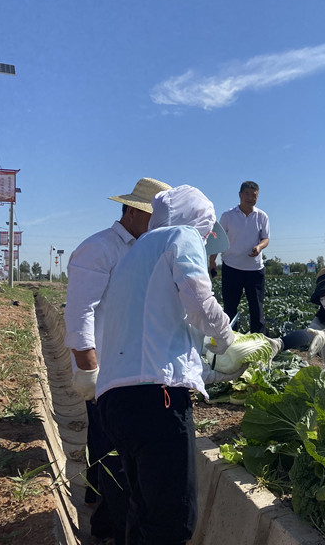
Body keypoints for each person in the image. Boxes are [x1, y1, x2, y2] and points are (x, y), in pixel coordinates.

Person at [95, 185, 241, 544]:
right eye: (207, 231)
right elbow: (199, 300)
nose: (207, 240)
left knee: (143, 510)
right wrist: (229, 342)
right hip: (155, 401)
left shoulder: (134, 255)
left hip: (116, 400)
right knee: (172, 522)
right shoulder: (183, 235)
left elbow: (157, 335)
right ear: (198, 221)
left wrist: (209, 372)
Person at [65, 176, 171, 544]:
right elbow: (80, 313)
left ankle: (104, 520)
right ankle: (112, 529)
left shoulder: (149, 250)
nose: (157, 225)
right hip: (106, 370)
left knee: (115, 452)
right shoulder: (100, 249)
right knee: (113, 455)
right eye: (151, 216)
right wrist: (88, 368)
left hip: (134, 371)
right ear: (129, 210)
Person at [208, 180, 270, 334]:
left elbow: (266, 239)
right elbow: (218, 239)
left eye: (254, 195)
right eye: (247, 194)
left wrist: (259, 247)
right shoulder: (228, 216)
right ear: (240, 195)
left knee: (257, 308)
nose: (250, 198)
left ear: (257, 197)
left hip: (255, 269)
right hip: (232, 267)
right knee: (230, 308)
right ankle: (231, 340)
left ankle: (258, 339)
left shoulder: (262, 216)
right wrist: (212, 261)